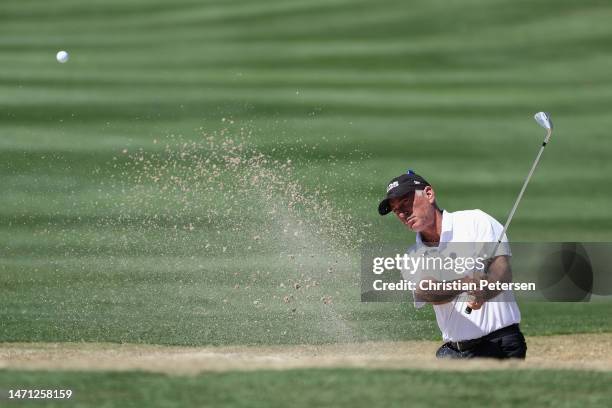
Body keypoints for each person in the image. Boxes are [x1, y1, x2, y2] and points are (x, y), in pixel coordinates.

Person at [378, 170, 527, 359]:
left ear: (429, 194)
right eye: (396, 209)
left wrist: (486, 291)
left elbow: (502, 271)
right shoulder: (412, 256)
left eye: (406, 202)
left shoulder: (476, 221)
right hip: (454, 352)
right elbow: (427, 292)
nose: (402, 212)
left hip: (499, 345)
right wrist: (465, 284)